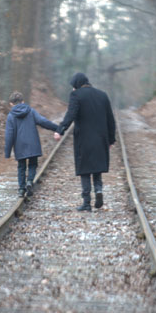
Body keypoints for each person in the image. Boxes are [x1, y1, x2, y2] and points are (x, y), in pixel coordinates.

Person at [54, 72, 116, 211]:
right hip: (101, 138)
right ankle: (98, 190)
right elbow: (110, 119)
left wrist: (60, 130)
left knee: (85, 170)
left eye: (73, 86)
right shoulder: (102, 95)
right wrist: (111, 139)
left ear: (77, 84)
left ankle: (87, 203)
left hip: (84, 138)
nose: (72, 89)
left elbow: (71, 114)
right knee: (97, 167)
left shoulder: (76, 95)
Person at [5, 91, 59, 198]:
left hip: (19, 145)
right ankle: (29, 181)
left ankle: (21, 189)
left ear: (11, 103)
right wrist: (57, 128)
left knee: (21, 166)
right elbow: (43, 121)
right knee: (33, 164)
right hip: (33, 143)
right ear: (23, 101)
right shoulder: (31, 111)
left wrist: (7, 151)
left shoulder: (11, 116)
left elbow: (9, 135)